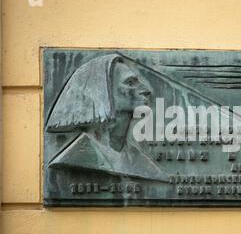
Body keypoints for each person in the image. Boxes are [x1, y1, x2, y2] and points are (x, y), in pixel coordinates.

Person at [46, 53, 168, 182]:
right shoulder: (73, 159)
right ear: (103, 91)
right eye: (130, 82)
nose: (146, 90)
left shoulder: (143, 163)